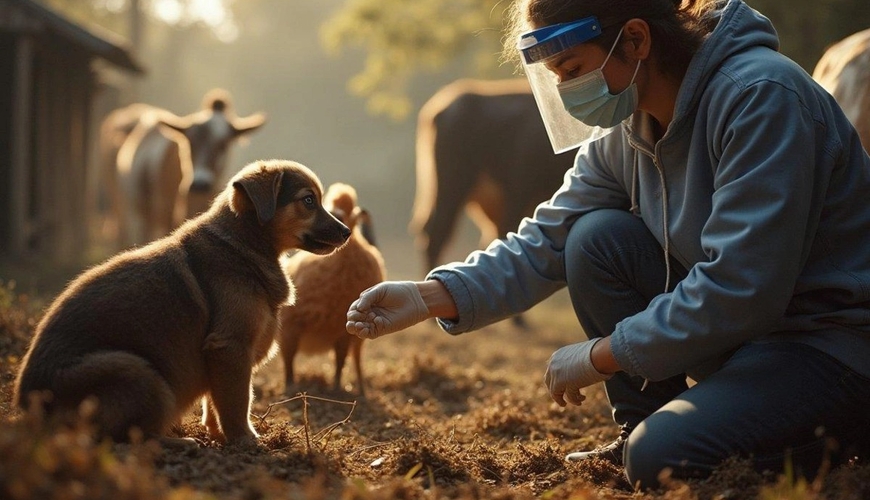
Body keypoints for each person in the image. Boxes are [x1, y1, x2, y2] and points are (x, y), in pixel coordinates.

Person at [346, 0, 870, 489]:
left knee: (662, 458)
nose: (567, 90)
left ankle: (846, 432)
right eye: (556, 77)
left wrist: (604, 354)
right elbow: (551, 235)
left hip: (828, 347)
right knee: (594, 237)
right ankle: (642, 427)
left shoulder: (760, 97)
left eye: (572, 69)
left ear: (636, 40)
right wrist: (431, 295)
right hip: (749, 340)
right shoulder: (627, 123)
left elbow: (743, 287)